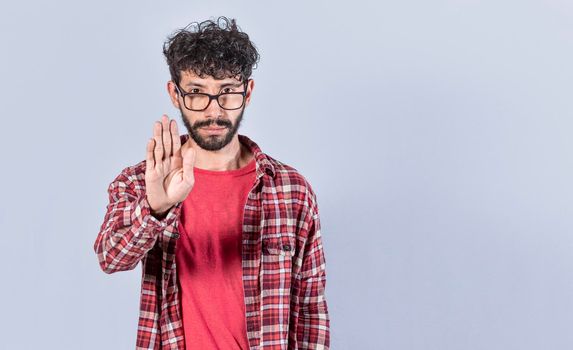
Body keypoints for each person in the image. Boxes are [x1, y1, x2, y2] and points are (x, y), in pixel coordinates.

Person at [93, 16, 330, 350]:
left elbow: (310, 309)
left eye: (227, 92)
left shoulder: (291, 190)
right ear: (175, 94)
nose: (213, 111)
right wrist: (155, 209)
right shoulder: (143, 181)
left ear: (247, 92)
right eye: (196, 92)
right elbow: (110, 257)